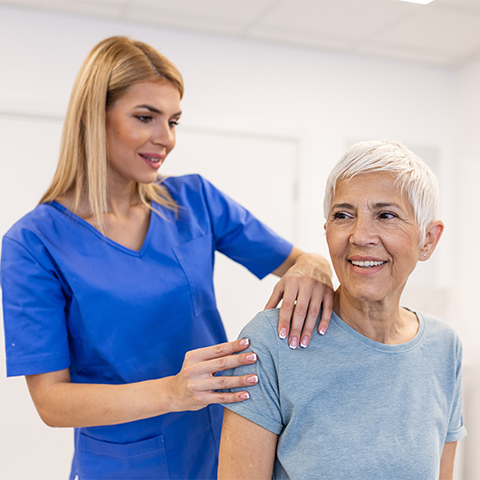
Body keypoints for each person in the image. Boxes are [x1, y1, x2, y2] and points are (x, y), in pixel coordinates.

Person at [0, 36, 334, 480]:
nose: (167, 138)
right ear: (92, 118)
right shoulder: (33, 243)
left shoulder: (194, 200)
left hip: (226, 447)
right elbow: (51, 402)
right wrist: (175, 391)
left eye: (173, 120)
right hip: (123, 463)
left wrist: (314, 264)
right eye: (146, 117)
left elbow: (298, 261)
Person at [218, 139, 467, 480]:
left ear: (428, 240)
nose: (360, 235)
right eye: (343, 215)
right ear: (327, 231)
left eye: (386, 215)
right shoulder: (271, 341)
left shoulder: (443, 346)